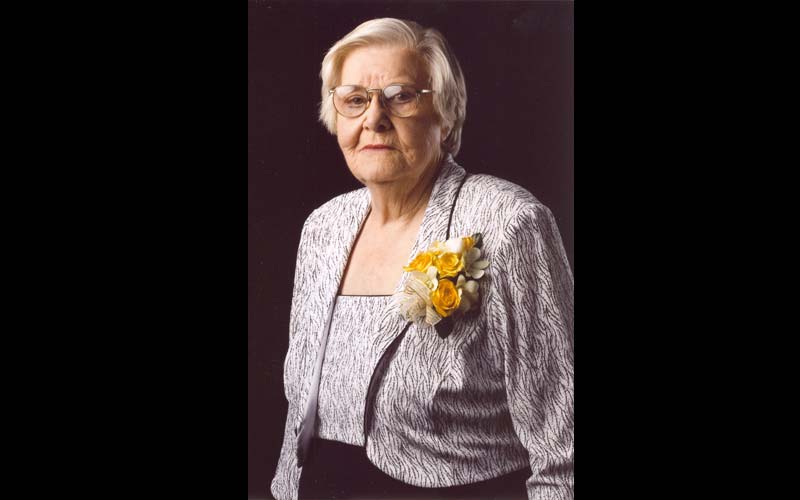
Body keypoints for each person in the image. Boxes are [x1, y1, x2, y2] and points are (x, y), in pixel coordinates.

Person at [270, 17, 573, 500]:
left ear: (447, 115)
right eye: (354, 100)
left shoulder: (509, 221)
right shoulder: (322, 229)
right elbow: (297, 415)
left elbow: (565, 447)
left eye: (401, 95)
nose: (374, 119)